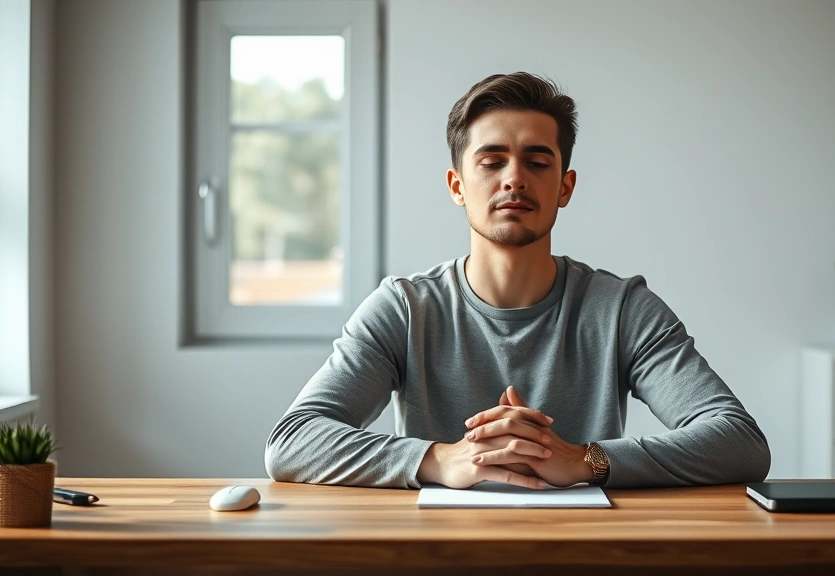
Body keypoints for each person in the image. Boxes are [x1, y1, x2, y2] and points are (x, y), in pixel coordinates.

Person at [265, 72, 771, 490]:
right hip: (436, 555)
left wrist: (585, 460)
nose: (514, 179)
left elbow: (740, 442)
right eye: (491, 161)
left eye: (536, 161)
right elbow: (291, 442)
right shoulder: (405, 308)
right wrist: (440, 459)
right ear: (457, 186)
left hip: (583, 553)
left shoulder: (621, 308)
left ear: (565, 187)